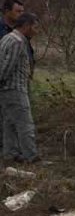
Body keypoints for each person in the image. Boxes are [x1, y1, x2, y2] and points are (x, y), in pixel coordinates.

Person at [0, 12, 39, 163]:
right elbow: (5, 68)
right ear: (26, 26)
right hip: (15, 89)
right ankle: (31, 156)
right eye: (35, 27)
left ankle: (10, 154)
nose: (36, 31)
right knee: (25, 124)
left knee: (9, 123)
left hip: (6, 90)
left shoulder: (7, 38)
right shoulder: (17, 42)